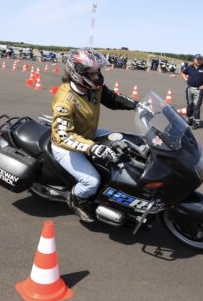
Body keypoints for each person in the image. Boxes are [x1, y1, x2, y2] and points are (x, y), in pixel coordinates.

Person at [51, 49, 138, 222]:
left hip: (87, 133)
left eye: (98, 71)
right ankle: (77, 199)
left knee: (124, 139)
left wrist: (138, 105)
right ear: (78, 73)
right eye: (92, 72)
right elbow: (64, 136)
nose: (97, 76)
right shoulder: (65, 101)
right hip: (65, 146)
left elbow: (113, 99)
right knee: (91, 182)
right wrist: (93, 147)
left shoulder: (93, 88)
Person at [181, 54, 203, 128]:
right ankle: (189, 119)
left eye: (200, 59)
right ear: (194, 60)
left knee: (196, 106)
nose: (199, 61)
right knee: (189, 105)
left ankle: (196, 122)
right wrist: (186, 79)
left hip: (198, 90)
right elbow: (183, 73)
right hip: (189, 89)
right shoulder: (190, 67)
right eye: (197, 59)